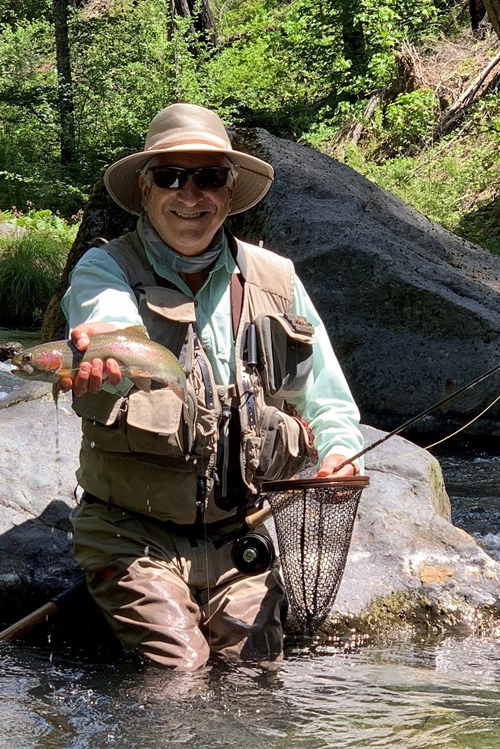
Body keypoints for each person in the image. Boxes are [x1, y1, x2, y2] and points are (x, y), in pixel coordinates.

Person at [59, 103, 363, 670]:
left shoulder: (278, 278)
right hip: (131, 538)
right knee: (179, 671)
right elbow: (107, 319)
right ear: (146, 190)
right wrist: (105, 344)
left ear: (230, 193)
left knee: (255, 673)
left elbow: (328, 398)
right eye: (172, 177)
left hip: (240, 533)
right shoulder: (105, 270)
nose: (190, 195)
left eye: (209, 177)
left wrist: (340, 453)